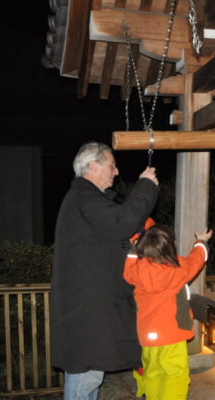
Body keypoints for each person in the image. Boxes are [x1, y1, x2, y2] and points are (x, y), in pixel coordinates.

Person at [50, 141, 159, 400]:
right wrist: (146, 186)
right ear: (92, 165)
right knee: (84, 376)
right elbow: (119, 223)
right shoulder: (84, 196)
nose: (116, 171)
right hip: (86, 311)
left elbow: (112, 232)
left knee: (91, 375)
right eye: (111, 165)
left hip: (88, 308)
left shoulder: (84, 198)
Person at [123, 224, 213, 400]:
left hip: (147, 336)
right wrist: (201, 242)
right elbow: (196, 261)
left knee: (152, 373)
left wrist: (134, 247)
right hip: (172, 335)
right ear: (170, 247)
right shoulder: (177, 268)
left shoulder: (137, 270)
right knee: (175, 375)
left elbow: (127, 270)